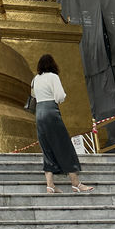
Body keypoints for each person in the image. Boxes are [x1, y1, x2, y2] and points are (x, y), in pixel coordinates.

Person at [31, 54, 94, 194]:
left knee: (47, 148)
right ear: (52, 64)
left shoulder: (35, 79)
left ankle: (50, 185)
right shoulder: (53, 77)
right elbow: (59, 96)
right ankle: (75, 183)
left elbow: (34, 95)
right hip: (51, 112)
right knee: (63, 146)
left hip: (39, 113)